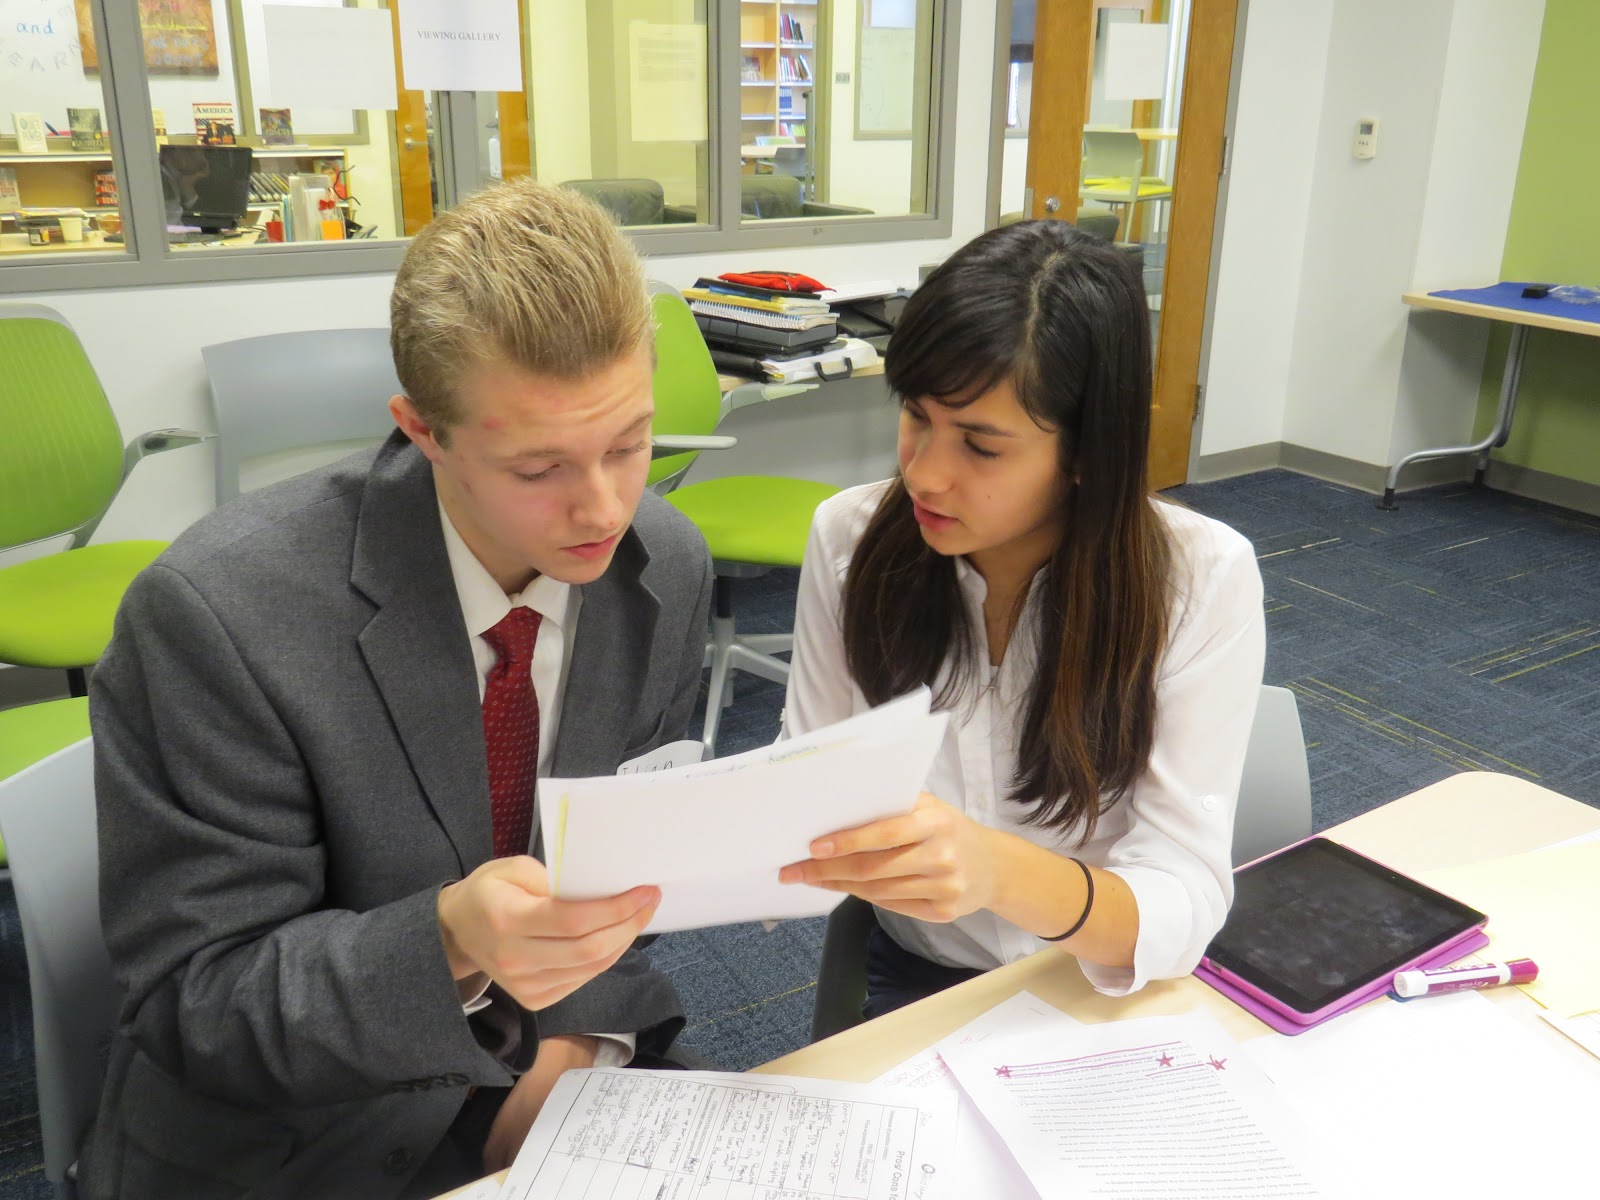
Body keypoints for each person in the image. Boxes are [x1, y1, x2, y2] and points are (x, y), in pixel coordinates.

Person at [80, 178, 712, 1199]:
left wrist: (572, 1050)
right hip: (301, 1135)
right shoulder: (222, 615)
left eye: (630, 442)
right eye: (538, 467)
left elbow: (621, 868)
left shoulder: (661, 567)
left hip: (533, 1075)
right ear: (421, 430)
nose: (603, 507)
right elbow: (199, 1001)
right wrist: (451, 939)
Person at [777, 219, 1265, 1016]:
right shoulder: (850, 540)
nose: (924, 475)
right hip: (921, 971)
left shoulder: (1199, 577)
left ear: (1085, 454)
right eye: (916, 416)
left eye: (981, 446)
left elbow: (1183, 895)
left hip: (1098, 974)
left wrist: (996, 871)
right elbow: (806, 790)